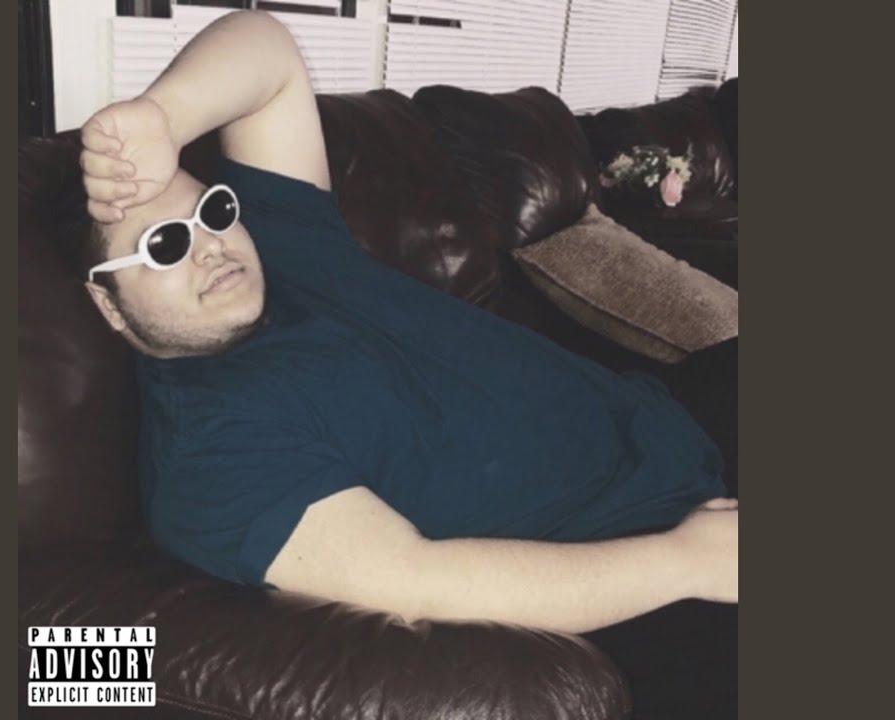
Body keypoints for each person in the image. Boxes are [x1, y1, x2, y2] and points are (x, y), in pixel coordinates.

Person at [77, 10, 737, 639]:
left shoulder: (277, 238)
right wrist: (683, 562)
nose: (209, 245)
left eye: (213, 212)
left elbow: (266, 49)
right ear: (108, 303)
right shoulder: (209, 449)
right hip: (649, 545)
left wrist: (162, 118)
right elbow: (415, 579)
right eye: (163, 245)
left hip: (670, 414)